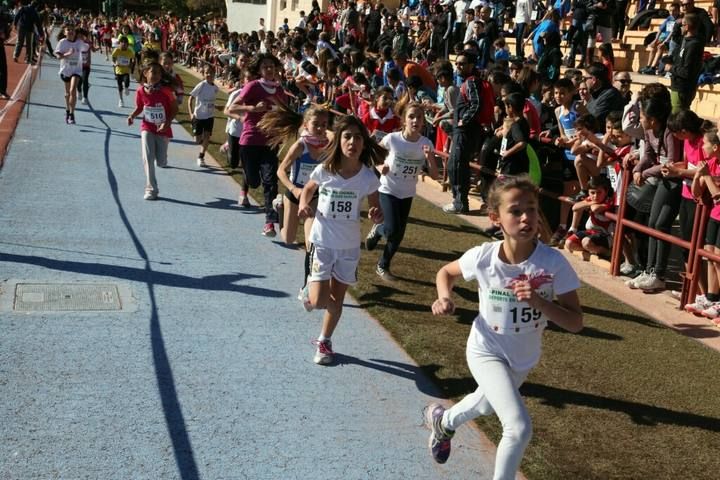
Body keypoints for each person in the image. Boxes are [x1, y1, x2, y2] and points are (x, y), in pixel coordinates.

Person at [424, 175, 583, 475]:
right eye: (516, 211)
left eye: (532, 209)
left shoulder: (553, 263)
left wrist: (539, 303)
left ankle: (443, 422)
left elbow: (575, 323)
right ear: (495, 218)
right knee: (518, 427)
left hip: (523, 358)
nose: (526, 218)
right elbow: (446, 272)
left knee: (484, 405)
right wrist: (444, 298)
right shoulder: (483, 257)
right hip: (486, 349)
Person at [298, 115, 386, 365]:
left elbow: (376, 209)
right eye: (347, 136)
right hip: (323, 243)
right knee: (318, 302)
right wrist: (304, 205)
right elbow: (308, 189)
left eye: (358, 137)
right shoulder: (326, 169)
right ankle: (308, 290)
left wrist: (376, 214)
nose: (353, 141)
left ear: (363, 143)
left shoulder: (368, 177)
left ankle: (324, 341)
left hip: (348, 248)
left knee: (337, 301)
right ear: (338, 140)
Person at [365, 101, 439, 281]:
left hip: (407, 193)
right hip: (388, 188)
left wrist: (430, 157)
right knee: (391, 229)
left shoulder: (426, 143)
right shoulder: (393, 139)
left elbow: (435, 176)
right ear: (404, 120)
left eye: (419, 117)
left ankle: (383, 265)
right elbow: (375, 155)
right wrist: (381, 165)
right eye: (411, 117)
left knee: (398, 235)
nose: (415, 120)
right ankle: (379, 229)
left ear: (423, 122)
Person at [625, 94, 683, 292]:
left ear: (653, 119)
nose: (639, 119)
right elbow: (648, 155)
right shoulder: (648, 131)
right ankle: (649, 270)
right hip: (661, 181)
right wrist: (637, 169)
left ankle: (659, 274)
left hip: (674, 182)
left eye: (642, 116)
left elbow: (671, 162)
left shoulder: (668, 132)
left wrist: (646, 172)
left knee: (661, 225)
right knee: (652, 224)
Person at [227, 53, 288, 237]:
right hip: (249, 141)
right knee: (254, 182)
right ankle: (248, 181)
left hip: (269, 143)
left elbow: (283, 115)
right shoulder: (253, 86)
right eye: (265, 66)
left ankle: (270, 223)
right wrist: (252, 109)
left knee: (271, 182)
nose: (269, 69)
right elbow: (232, 108)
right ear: (259, 70)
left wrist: (282, 131)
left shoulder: (280, 91)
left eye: (272, 66)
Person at [259, 105, 330, 252]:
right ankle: (280, 206)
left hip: (314, 195)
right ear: (306, 125)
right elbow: (281, 171)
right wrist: (293, 189)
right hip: (295, 194)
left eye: (323, 125)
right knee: (288, 239)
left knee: (311, 241)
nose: (319, 128)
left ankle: (311, 269)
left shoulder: (328, 147)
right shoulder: (300, 146)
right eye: (315, 124)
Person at [444, 50, 494, 214]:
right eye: (457, 63)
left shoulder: (472, 82)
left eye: (462, 63)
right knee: (455, 164)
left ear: (471, 65)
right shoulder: (470, 81)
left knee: (457, 165)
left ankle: (460, 202)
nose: (458, 66)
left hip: (466, 131)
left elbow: (476, 104)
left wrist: (464, 120)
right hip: (465, 131)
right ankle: (458, 200)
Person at [126, 62, 178, 200]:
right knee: (147, 158)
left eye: (158, 73)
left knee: (160, 161)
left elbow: (174, 109)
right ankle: (151, 189)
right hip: (147, 127)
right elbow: (139, 107)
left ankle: (162, 159)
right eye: (153, 72)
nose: (156, 76)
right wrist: (132, 116)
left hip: (163, 129)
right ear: (145, 73)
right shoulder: (140, 91)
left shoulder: (166, 91)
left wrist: (167, 123)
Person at [690, 129, 720, 323]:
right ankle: (711, 298)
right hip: (714, 216)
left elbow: (717, 197)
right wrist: (697, 176)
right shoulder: (710, 163)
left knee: (718, 259)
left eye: (705, 144)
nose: (702, 147)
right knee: (709, 256)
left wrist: (707, 176)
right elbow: (696, 193)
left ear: (715, 147)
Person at [564, 175, 614, 258]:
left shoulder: (609, 200)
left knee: (586, 242)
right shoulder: (591, 200)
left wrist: (588, 203)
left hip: (605, 235)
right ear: (588, 192)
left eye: (599, 192)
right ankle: (592, 251)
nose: (595, 196)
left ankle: (608, 253)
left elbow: (595, 209)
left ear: (606, 192)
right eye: (592, 193)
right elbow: (575, 208)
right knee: (569, 243)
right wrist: (589, 203)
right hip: (591, 232)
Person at [670, 13, 704, 113]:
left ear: (687, 26)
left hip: (682, 88)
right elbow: (675, 37)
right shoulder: (685, 40)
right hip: (679, 85)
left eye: (682, 25)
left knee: (676, 120)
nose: (681, 27)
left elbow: (686, 72)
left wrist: (670, 68)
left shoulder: (694, 45)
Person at [188, 65, 220, 168]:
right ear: (204, 74)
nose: (209, 75)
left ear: (215, 74)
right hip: (198, 117)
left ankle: (201, 156)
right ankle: (195, 130)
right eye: (207, 73)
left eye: (211, 72)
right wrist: (191, 114)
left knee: (207, 137)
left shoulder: (215, 88)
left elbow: (210, 102)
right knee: (197, 140)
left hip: (209, 117)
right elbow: (190, 99)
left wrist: (216, 107)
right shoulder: (201, 85)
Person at [54, 25, 86, 125]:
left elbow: (87, 47)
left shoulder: (79, 42)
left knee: (73, 90)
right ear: (64, 32)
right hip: (65, 70)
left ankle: (72, 114)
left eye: (72, 30)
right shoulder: (62, 42)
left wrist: (93, 48)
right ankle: (68, 110)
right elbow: (58, 57)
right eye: (68, 30)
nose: (71, 31)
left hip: (76, 70)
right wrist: (67, 54)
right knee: (67, 93)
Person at [13, 0, 42, 64]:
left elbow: (17, 16)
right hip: (29, 29)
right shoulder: (35, 12)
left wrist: (15, 24)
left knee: (19, 42)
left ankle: (15, 56)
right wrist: (41, 34)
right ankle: (28, 59)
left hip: (22, 27)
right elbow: (38, 24)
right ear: (36, 6)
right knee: (29, 45)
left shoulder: (23, 8)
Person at [111, 36, 134, 108]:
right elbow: (113, 59)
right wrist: (115, 64)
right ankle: (121, 100)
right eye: (122, 42)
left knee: (127, 81)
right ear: (119, 43)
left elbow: (133, 59)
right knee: (120, 86)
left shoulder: (129, 51)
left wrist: (131, 64)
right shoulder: (116, 50)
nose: (124, 44)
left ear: (127, 44)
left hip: (126, 70)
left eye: (125, 43)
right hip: (118, 70)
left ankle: (126, 87)